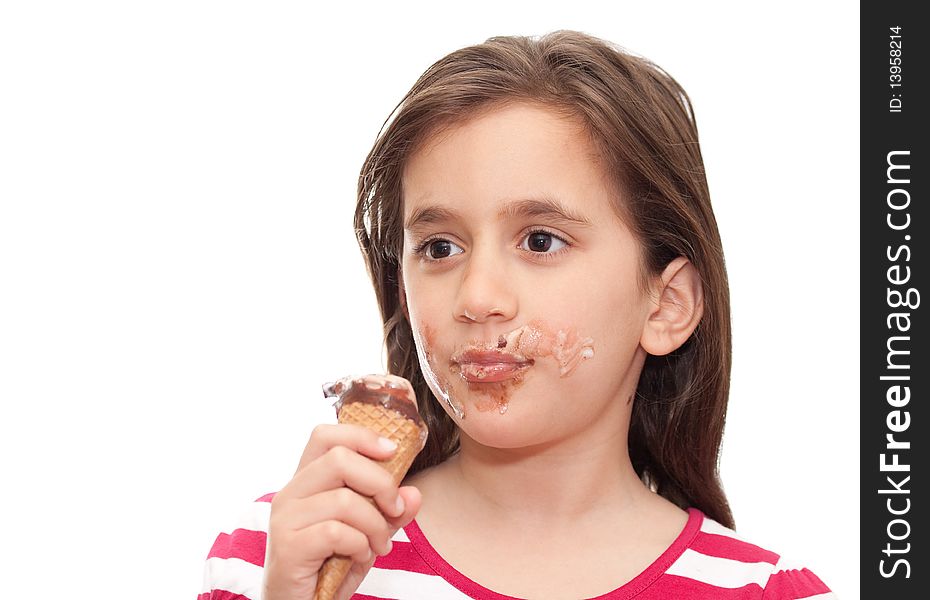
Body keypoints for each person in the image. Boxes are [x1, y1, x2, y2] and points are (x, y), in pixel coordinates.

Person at [199, 30, 835, 600]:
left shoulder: (764, 592)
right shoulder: (272, 557)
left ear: (666, 304)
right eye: (439, 248)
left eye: (540, 241)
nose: (477, 297)